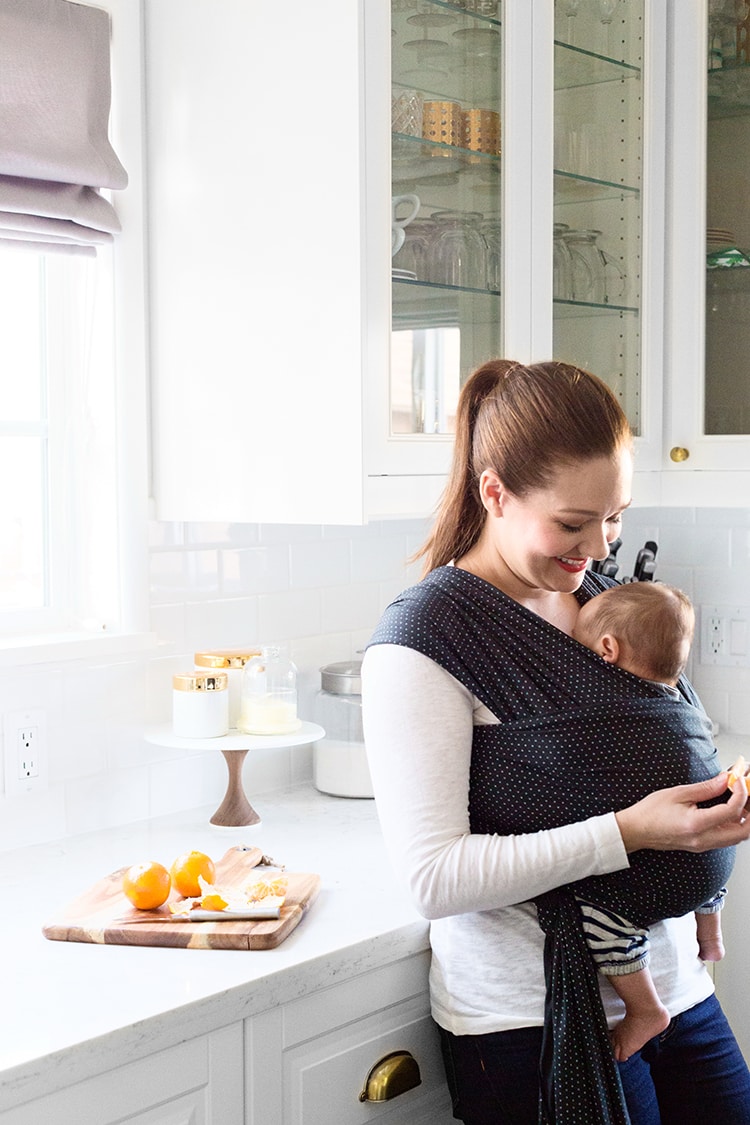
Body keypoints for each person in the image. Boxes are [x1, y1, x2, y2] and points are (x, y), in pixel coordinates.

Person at [361, 359, 750, 1125]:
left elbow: (671, 743)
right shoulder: (428, 638)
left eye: (614, 516)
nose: (596, 545)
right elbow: (434, 877)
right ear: (495, 492)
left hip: (674, 988)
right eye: (572, 523)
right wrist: (631, 830)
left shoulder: (607, 602)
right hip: (529, 1018)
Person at [571, 580, 728, 1064]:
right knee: (702, 876)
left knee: (601, 918)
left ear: (607, 650)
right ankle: (710, 933)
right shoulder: (684, 706)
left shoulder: (610, 714)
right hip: (714, 865)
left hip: (660, 875)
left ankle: (644, 1010)